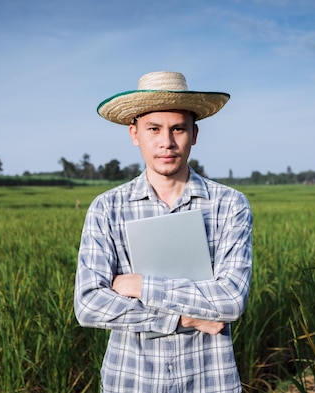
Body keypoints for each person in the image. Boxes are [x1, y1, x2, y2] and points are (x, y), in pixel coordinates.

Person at [74, 71, 253, 392]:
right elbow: (89, 304)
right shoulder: (107, 208)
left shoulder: (229, 205)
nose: (166, 142)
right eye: (153, 129)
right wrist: (185, 319)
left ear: (194, 134)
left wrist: (140, 285)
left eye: (178, 129)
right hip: (131, 379)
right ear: (134, 134)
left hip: (209, 379)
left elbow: (231, 301)